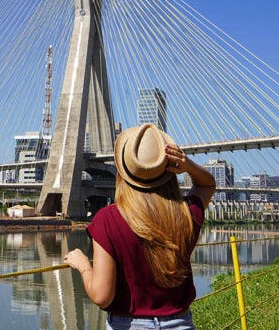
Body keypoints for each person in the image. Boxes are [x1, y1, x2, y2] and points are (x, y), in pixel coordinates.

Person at [64, 123, 215, 329]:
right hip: (180, 323)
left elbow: (102, 296)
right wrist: (187, 164)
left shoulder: (108, 219)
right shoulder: (186, 213)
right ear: (168, 169)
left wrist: (82, 265)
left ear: (123, 170)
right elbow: (207, 184)